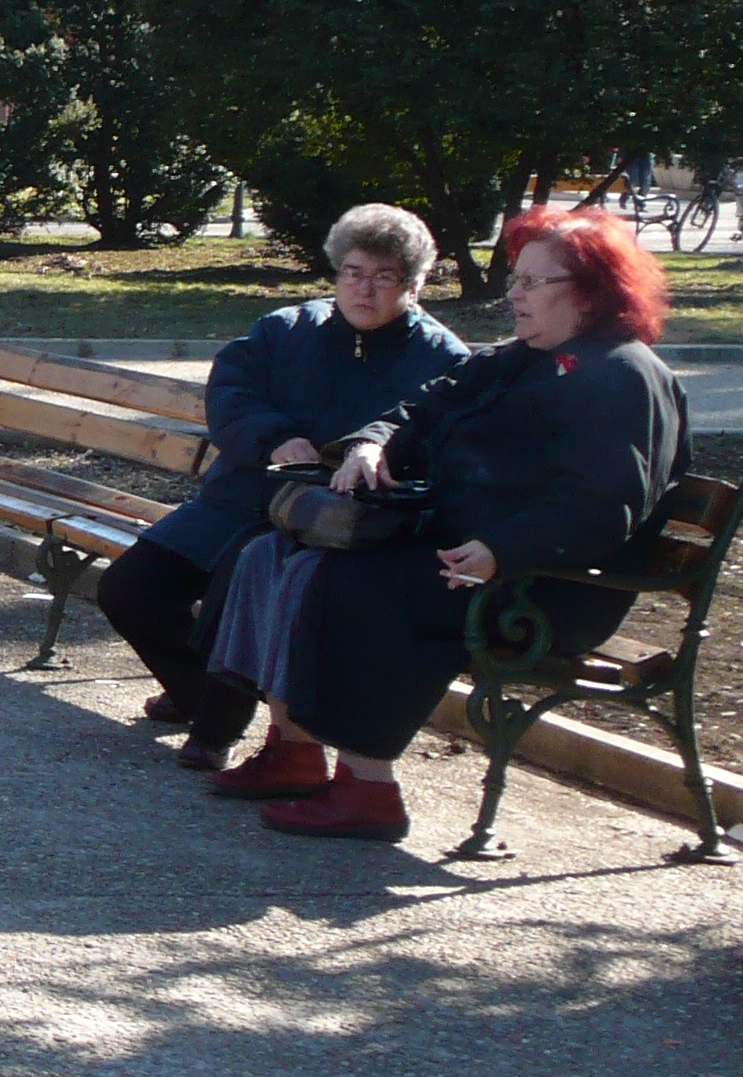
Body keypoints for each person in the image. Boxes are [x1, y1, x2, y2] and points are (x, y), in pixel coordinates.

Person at [210, 209, 686, 842]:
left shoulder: (621, 375)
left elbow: (602, 505)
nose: (513, 294)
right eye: (517, 279)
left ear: (592, 292)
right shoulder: (524, 357)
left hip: (545, 586)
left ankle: (368, 790)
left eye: (531, 283)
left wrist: (501, 549)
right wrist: (373, 444)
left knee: (352, 582)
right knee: (271, 557)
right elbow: (421, 407)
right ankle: (294, 750)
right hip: (471, 559)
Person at [96, 205, 466, 771]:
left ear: (415, 286)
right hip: (237, 497)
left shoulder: (442, 359)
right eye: (353, 272)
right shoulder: (286, 329)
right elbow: (231, 395)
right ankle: (195, 694)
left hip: (322, 521)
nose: (365, 289)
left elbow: (423, 435)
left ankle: (219, 727)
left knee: (237, 586)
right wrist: (275, 439)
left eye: (385, 277)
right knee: (129, 589)